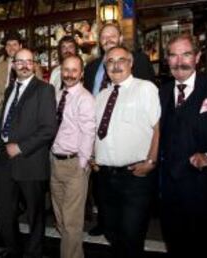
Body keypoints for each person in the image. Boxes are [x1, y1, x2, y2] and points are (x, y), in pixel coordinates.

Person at [159, 34, 207, 258]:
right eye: (173, 55)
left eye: (186, 54)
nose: (179, 61)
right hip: (171, 197)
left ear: (198, 57)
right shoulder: (160, 93)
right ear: (167, 60)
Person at [83, 22, 155, 237]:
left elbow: (154, 118)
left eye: (112, 35)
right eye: (104, 36)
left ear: (121, 38)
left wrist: (151, 158)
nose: (108, 39)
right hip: (102, 145)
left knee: (131, 231)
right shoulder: (92, 67)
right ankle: (105, 222)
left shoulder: (139, 64)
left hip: (132, 154)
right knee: (107, 205)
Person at [93, 46, 160, 258]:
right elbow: (95, 131)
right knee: (113, 234)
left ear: (131, 63)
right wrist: (94, 157)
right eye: (110, 61)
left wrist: (151, 160)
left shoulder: (145, 88)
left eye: (121, 60)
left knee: (132, 236)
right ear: (105, 67)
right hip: (105, 177)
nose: (116, 65)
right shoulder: (101, 96)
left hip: (135, 177)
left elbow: (158, 127)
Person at [0, 48, 57, 258]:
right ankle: (12, 249)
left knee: (34, 214)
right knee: (4, 211)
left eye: (28, 61)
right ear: (13, 65)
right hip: (4, 159)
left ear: (34, 64)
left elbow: (48, 129)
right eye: (19, 61)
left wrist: (20, 147)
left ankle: (33, 253)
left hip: (30, 160)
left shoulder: (44, 90)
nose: (24, 65)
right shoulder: (10, 88)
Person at [50, 55, 96, 258]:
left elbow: (89, 132)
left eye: (74, 70)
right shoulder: (58, 95)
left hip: (74, 164)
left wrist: (83, 163)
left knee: (71, 222)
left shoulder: (85, 98)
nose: (69, 74)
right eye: (65, 70)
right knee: (60, 218)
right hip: (55, 162)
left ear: (82, 73)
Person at [0, 31, 43, 115]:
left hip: (27, 111)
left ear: (20, 46)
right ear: (5, 48)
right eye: (8, 45)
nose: (11, 47)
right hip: (4, 111)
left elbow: (40, 92)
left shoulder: (33, 66)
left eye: (14, 44)